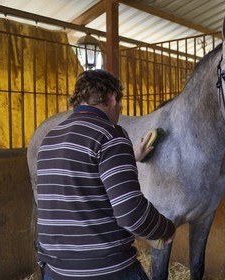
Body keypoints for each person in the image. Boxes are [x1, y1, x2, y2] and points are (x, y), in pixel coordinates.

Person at [36, 69, 175, 280]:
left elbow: (82, 176)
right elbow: (131, 213)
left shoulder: (50, 139)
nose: (120, 111)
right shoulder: (110, 134)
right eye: (120, 104)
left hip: (54, 272)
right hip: (105, 271)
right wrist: (165, 228)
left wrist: (130, 156)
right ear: (112, 97)